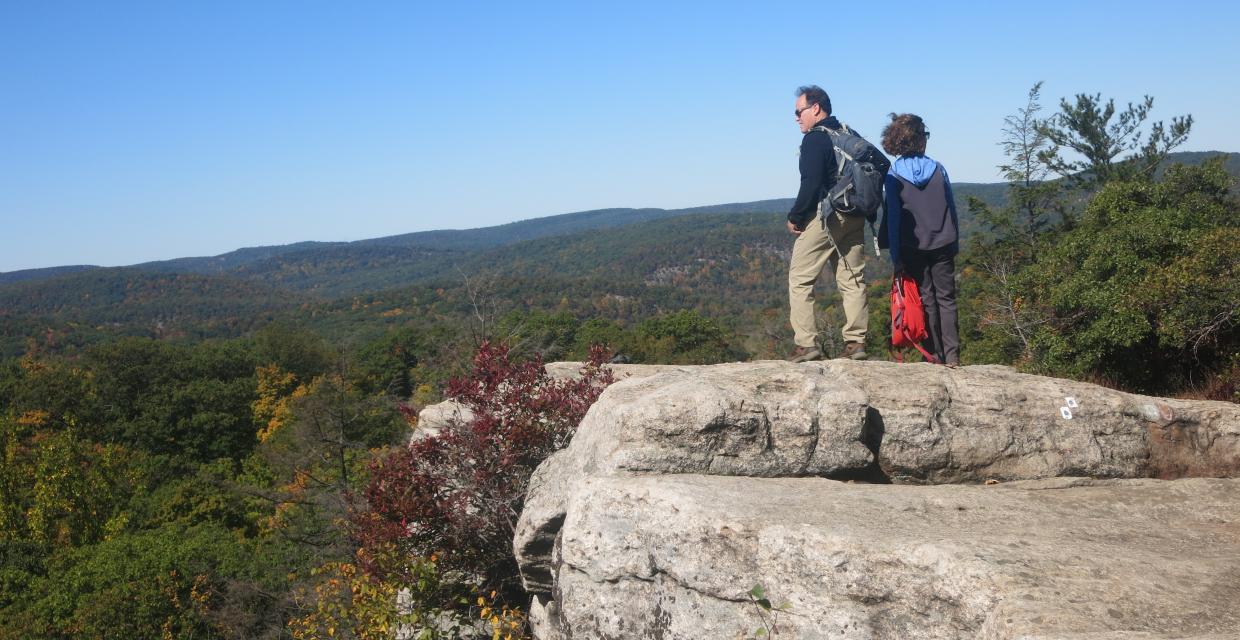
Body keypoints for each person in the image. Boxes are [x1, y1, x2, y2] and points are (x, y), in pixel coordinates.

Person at [785, 85, 869, 362]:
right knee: (853, 279)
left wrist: (796, 216)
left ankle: (807, 345)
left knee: (800, 279)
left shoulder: (815, 139)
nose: (797, 117)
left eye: (799, 111)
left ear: (816, 108)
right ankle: (856, 343)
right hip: (856, 214)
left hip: (829, 214)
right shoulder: (848, 134)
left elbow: (810, 183)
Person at [880, 113, 960, 367]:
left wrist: (896, 257)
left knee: (926, 298)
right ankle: (953, 356)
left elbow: (893, 218)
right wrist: (954, 238)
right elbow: (951, 207)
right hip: (944, 241)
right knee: (947, 298)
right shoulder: (938, 168)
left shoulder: (894, 175)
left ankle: (933, 355)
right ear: (920, 140)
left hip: (912, 246)